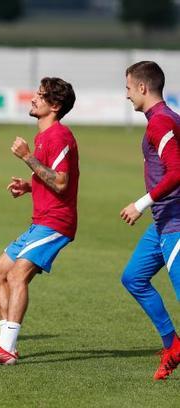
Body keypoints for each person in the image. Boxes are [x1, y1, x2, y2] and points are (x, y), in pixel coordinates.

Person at [0, 77, 79, 365]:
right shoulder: (44, 136)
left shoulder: (59, 136)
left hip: (57, 223)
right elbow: (49, 178)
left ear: (55, 106)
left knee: (17, 276)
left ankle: (6, 350)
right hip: (40, 221)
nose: (33, 99)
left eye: (40, 96)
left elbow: (61, 183)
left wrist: (27, 156)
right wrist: (29, 186)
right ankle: (6, 346)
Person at [119, 61, 180, 380]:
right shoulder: (163, 119)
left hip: (176, 220)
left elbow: (177, 171)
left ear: (143, 87)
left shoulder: (161, 122)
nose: (127, 94)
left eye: (128, 88)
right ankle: (173, 345)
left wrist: (141, 203)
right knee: (133, 278)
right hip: (163, 221)